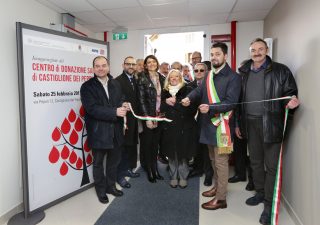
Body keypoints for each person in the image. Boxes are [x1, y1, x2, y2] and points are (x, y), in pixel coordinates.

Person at [238, 38, 299, 225]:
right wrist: (238, 124)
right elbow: (240, 100)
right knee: (255, 162)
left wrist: (292, 102)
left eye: (260, 49)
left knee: (271, 166)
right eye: (253, 50)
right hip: (250, 123)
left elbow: (290, 93)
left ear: (267, 50)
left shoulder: (281, 70)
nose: (256, 53)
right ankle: (260, 193)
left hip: (271, 124)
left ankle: (268, 204)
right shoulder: (244, 72)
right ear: (250, 52)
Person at [181, 42, 241, 210]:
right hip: (208, 125)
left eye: (218, 54)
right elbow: (199, 91)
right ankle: (217, 187)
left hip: (223, 126)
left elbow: (231, 102)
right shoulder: (208, 74)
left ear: (225, 56)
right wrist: (189, 98)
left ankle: (221, 198)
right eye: (212, 54)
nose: (214, 57)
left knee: (221, 163)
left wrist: (211, 108)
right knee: (213, 160)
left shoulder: (233, 77)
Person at [80, 56, 127, 203]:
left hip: (116, 131)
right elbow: (92, 109)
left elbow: (120, 99)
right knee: (98, 164)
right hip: (99, 132)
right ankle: (101, 191)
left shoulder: (116, 84)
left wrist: (125, 104)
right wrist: (115, 112)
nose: (101, 68)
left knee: (113, 162)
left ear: (108, 66)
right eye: (97, 66)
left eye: (103, 65)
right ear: (93, 68)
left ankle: (111, 187)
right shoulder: (87, 87)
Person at [160, 69, 197, 188]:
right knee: (171, 154)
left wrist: (176, 103)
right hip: (169, 127)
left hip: (184, 127)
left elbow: (192, 110)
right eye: (171, 77)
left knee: (183, 154)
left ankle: (183, 176)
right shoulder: (164, 91)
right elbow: (160, 108)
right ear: (168, 79)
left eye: (177, 76)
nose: (174, 78)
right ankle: (173, 176)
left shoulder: (188, 90)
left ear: (180, 78)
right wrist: (166, 102)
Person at [137, 55, 165, 183]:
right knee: (148, 145)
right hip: (148, 116)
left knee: (155, 145)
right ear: (146, 65)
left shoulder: (162, 78)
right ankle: (150, 170)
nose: (152, 64)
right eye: (149, 62)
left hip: (160, 116)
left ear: (157, 63)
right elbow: (141, 100)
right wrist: (147, 118)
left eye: (154, 61)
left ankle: (156, 169)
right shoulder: (142, 78)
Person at [228, 59, 254, 192]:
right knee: (239, 150)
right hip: (240, 122)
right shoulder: (238, 82)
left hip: (255, 123)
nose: (241, 72)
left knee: (254, 154)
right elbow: (237, 106)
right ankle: (240, 174)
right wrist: (237, 125)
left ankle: (253, 181)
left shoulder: (256, 83)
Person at [115, 56, 140, 189]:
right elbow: (115, 100)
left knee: (130, 146)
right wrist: (122, 103)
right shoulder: (117, 81)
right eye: (128, 64)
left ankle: (126, 169)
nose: (131, 66)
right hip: (123, 121)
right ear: (123, 65)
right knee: (122, 148)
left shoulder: (135, 80)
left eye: (133, 64)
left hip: (134, 119)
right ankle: (119, 176)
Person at [187, 63, 214, 187]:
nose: (198, 72)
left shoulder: (212, 86)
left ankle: (209, 174)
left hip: (208, 120)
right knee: (196, 146)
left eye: (201, 70)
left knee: (207, 149)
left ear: (207, 71)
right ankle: (198, 169)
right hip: (192, 121)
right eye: (196, 70)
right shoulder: (188, 86)